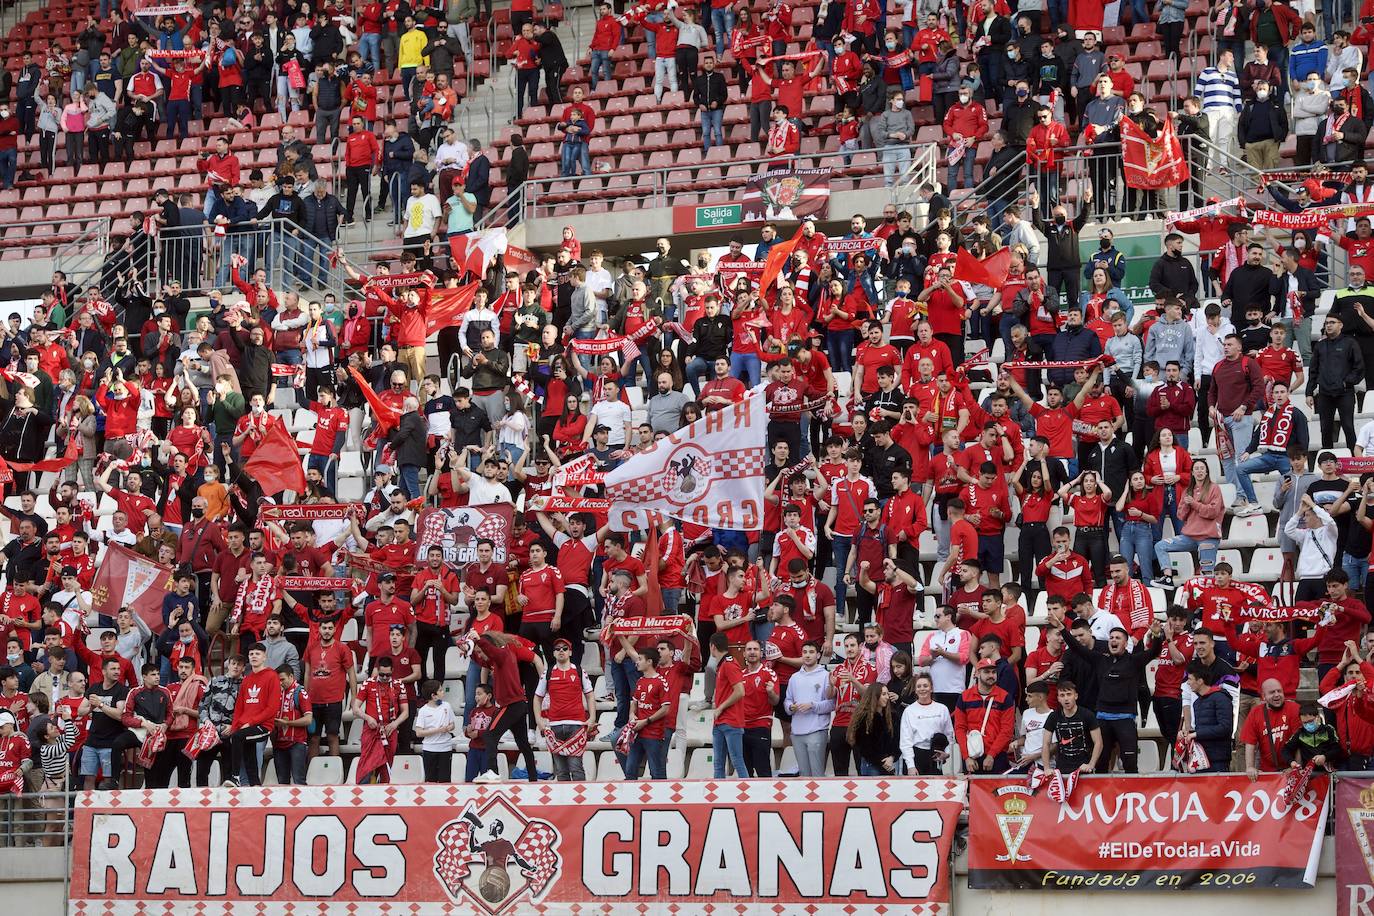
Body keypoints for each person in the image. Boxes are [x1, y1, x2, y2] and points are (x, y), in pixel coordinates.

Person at [1040, 678, 1102, 773]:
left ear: (1075, 696)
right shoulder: (1053, 716)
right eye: (1062, 695)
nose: (1066, 698)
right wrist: (1046, 767)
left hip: (1084, 767)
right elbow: (1046, 743)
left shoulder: (1087, 715)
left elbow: (1098, 742)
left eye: (1069, 694)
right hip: (1062, 767)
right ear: (1058, 698)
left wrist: (1091, 765)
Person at [898, 674, 954, 775]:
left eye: (925, 686)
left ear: (931, 688)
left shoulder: (942, 709)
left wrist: (947, 753)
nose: (922, 689)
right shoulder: (909, 711)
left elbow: (949, 735)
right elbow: (905, 741)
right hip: (916, 755)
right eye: (919, 686)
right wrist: (910, 766)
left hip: (936, 755)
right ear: (915, 690)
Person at [412, 679, 457, 783]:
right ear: (433, 695)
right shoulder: (423, 711)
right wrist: (438, 730)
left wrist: (449, 728)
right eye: (440, 690)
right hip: (430, 748)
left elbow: (452, 724)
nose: (443, 692)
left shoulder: (446, 706)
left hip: (445, 747)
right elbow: (419, 732)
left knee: (445, 780)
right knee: (430, 780)